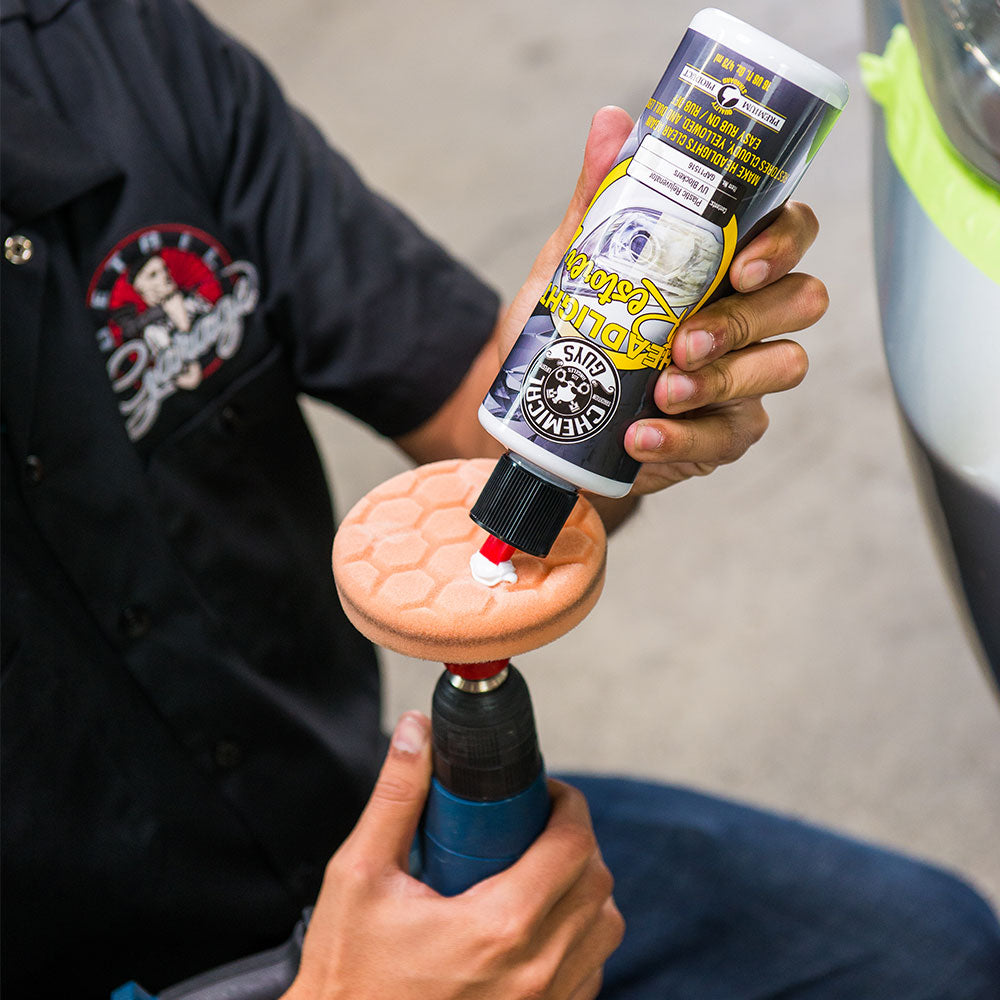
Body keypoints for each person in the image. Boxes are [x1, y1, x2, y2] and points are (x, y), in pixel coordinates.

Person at [2, 0, 998, 997]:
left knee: (936, 958)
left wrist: (604, 419)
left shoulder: (110, 47)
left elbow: (478, 452)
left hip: (366, 827)